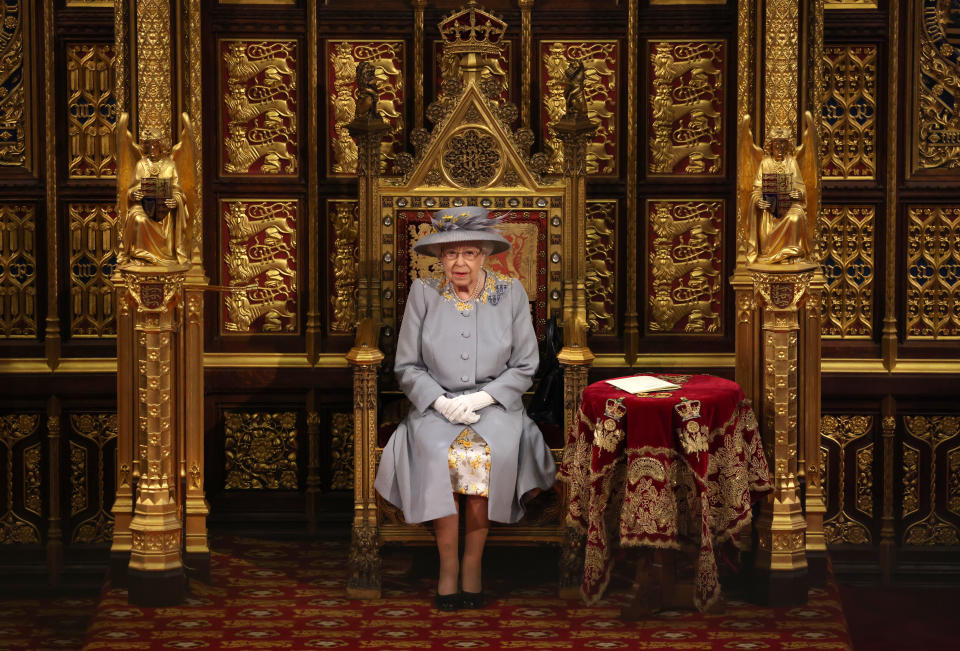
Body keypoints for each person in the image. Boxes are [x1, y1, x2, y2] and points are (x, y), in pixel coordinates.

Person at [374, 206, 557, 611]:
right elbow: (406, 365)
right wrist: (439, 401)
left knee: (480, 457)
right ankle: (448, 569)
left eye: (470, 252)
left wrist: (482, 398)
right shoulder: (423, 294)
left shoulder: (509, 293)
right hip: (433, 407)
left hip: (496, 407)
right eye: (451, 253)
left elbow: (527, 365)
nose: (460, 262)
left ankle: (472, 566)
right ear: (439, 258)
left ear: (485, 255)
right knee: (442, 454)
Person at [120, 134, 190, 266]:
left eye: (156, 145)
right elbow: (130, 190)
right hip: (143, 207)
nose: (152, 148)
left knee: (168, 216)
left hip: (164, 209)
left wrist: (175, 200)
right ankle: (141, 256)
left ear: (162, 146)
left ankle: (167, 255)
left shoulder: (170, 165)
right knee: (137, 218)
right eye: (149, 145)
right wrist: (134, 194)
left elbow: (178, 190)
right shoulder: (141, 164)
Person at [747, 126, 813, 264]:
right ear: (771, 145)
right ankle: (770, 253)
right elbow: (757, 189)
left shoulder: (792, 162)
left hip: (789, 206)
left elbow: (800, 187)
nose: (780, 147)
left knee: (796, 217)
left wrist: (798, 193)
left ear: (787, 145)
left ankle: (791, 254)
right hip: (770, 209)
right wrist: (758, 200)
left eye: (783, 143)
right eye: (776, 143)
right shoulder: (765, 163)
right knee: (767, 226)